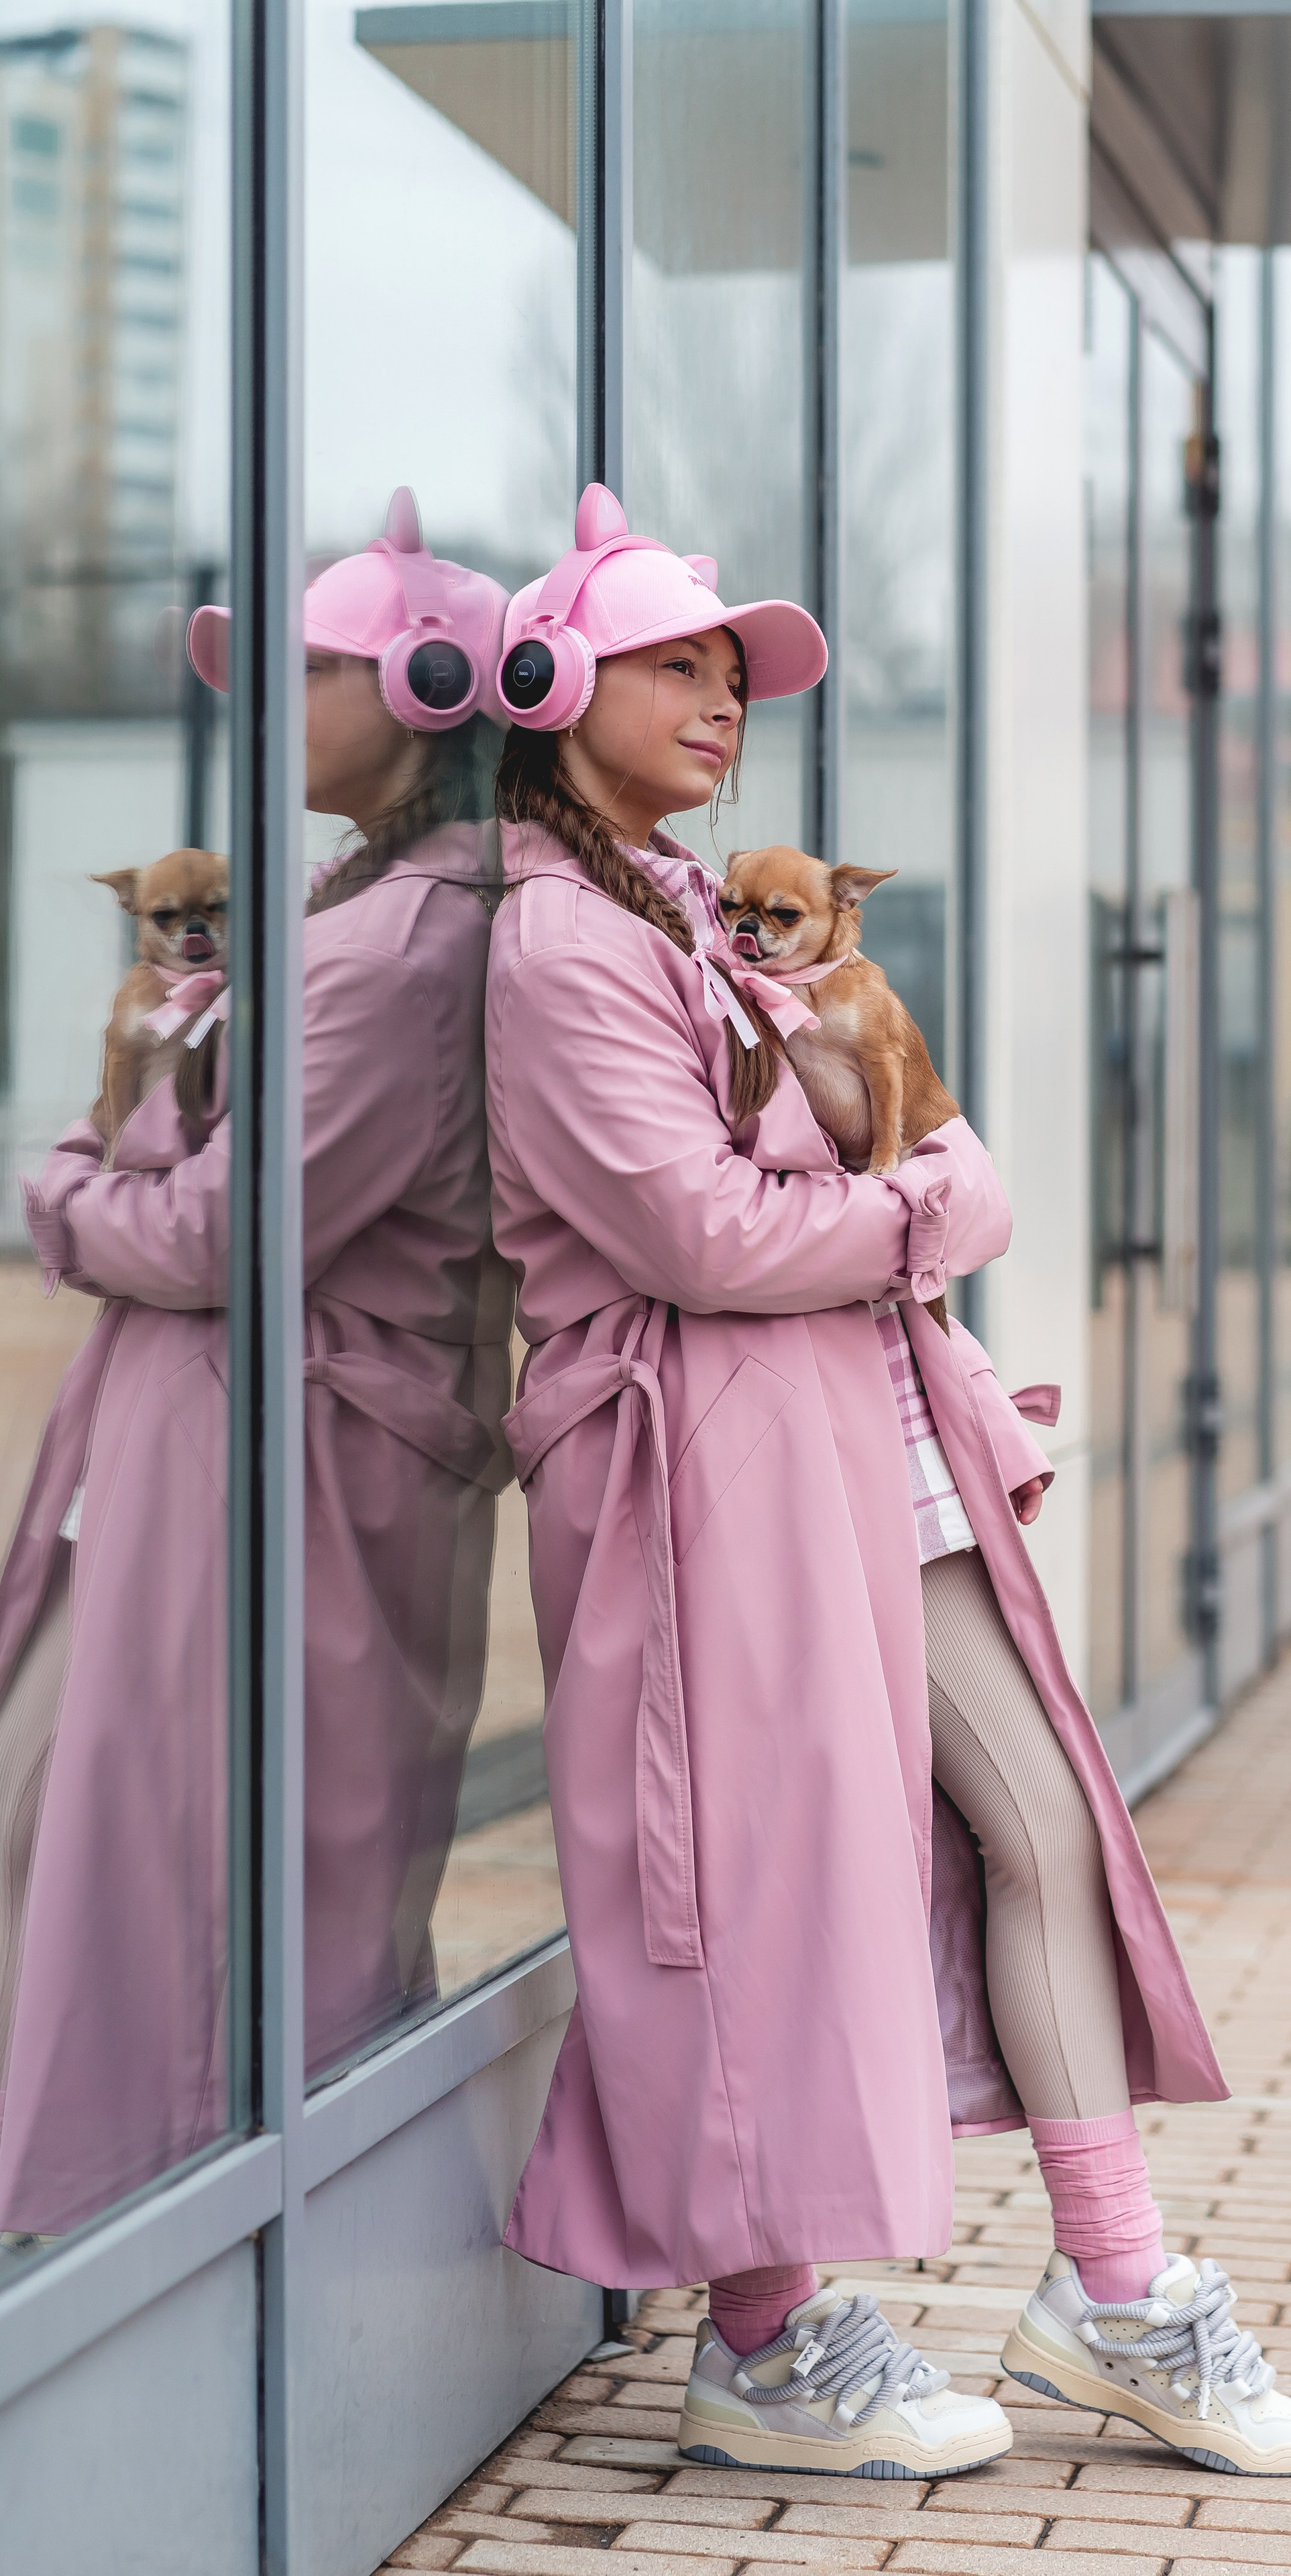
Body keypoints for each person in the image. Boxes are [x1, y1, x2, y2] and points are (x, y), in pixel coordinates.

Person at [488, 483, 1291, 2479]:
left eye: (734, 675)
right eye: (678, 662)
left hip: (868, 1431)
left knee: (1038, 1820)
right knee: (750, 1883)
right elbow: (708, 1232)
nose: (721, 704)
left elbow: (905, 1147)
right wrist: (905, 1202)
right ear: (551, 684)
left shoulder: (694, 906)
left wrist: (895, 1190)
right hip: (712, 1474)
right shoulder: (553, 942)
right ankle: (763, 2337)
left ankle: (1115, 2291)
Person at [0, 494, 511, 2243]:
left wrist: (61, 1194)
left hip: (265, 1458)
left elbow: (221, 1237)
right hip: (248, 1444)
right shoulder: (360, 912)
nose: (271, 700)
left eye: (310, 668)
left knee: (170, 1858)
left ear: (437, 690)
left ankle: (142, 2231)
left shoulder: (385, 948)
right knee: (116, 1826)